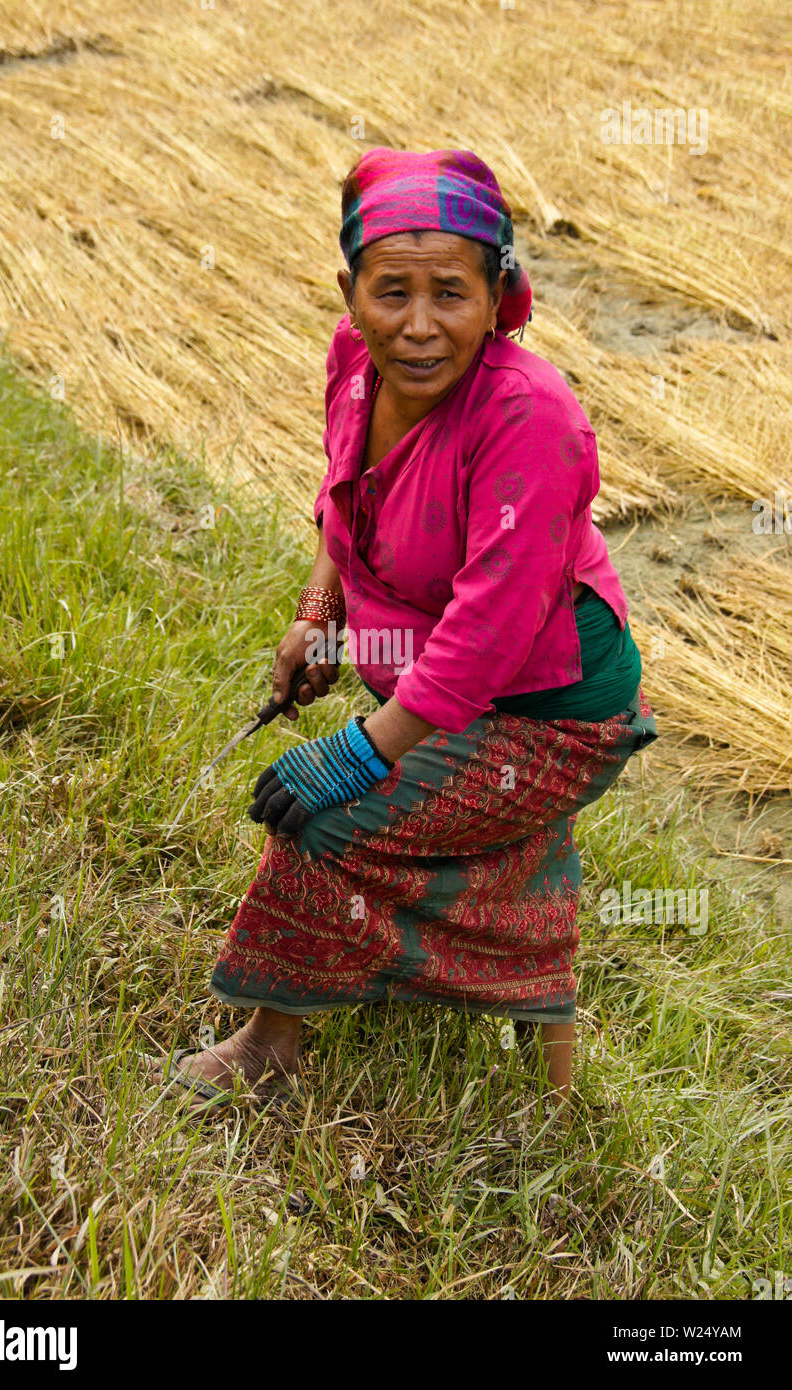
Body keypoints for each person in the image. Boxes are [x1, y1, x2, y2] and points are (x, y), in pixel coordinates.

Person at [162, 147, 657, 1114]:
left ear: (496, 293)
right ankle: (468, 956)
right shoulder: (357, 363)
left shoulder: (527, 417)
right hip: (437, 669)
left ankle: (271, 1041)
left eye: (451, 295)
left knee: (321, 818)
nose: (420, 327)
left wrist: (364, 750)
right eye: (392, 292)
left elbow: (489, 629)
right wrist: (321, 613)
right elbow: (341, 501)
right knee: (372, 794)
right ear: (348, 289)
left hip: (551, 709)